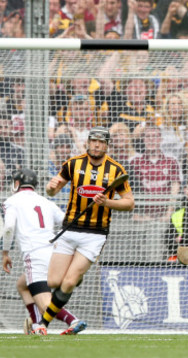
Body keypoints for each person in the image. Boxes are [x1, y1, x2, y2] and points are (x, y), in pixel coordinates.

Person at [36, 127, 134, 335]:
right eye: (93, 141)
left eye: (101, 142)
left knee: (69, 282)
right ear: (88, 142)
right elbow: (53, 189)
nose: (97, 145)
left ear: (107, 145)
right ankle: (73, 280)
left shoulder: (116, 170)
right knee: (54, 281)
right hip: (70, 229)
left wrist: (107, 201)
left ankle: (42, 324)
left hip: (95, 235)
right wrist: (50, 187)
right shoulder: (73, 164)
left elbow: (129, 203)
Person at [1, 168, 86, 335]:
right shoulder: (47, 202)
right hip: (54, 253)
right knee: (22, 285)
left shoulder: (11, 201)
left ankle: (72, 320)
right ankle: (38, 325)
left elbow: (9, 227)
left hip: (35, 254)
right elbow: (66, 222)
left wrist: (5, 253)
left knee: (45, 304)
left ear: (17, 183)